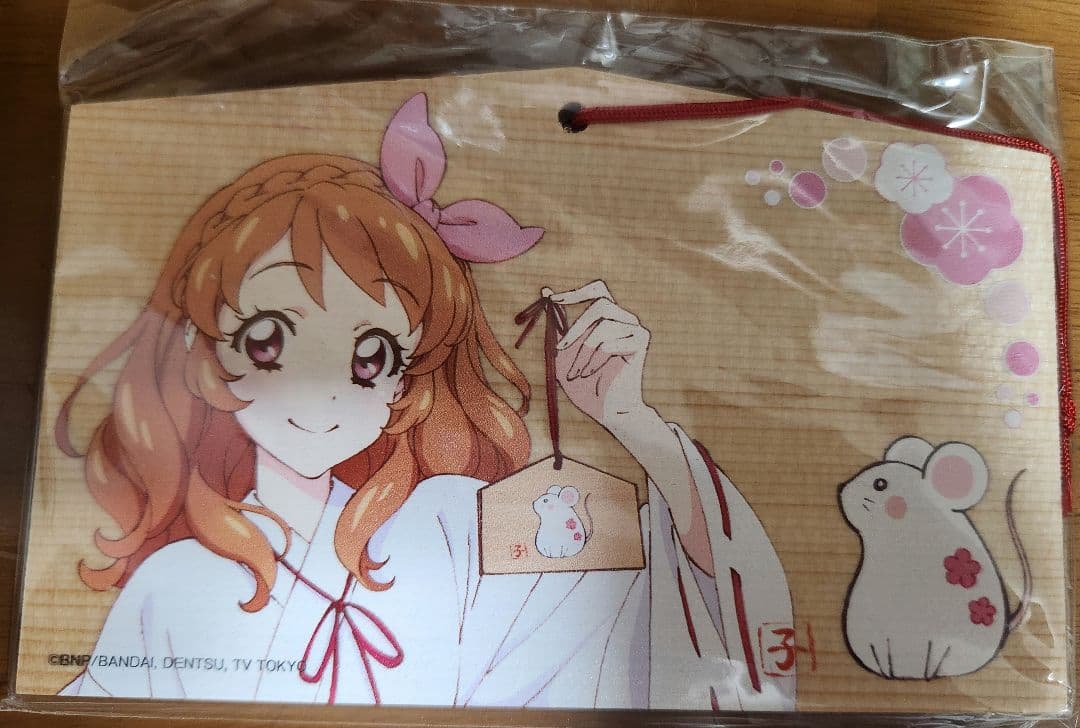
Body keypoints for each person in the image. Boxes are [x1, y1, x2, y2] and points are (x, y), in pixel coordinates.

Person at [57, 93, 794, 710]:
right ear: (204, 349)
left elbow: (676, 602)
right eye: (268, 340)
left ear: (405, 381)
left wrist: (632, 422)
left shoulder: (453, 526)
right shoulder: (173, 588)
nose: (323, 390)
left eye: (369, 356)